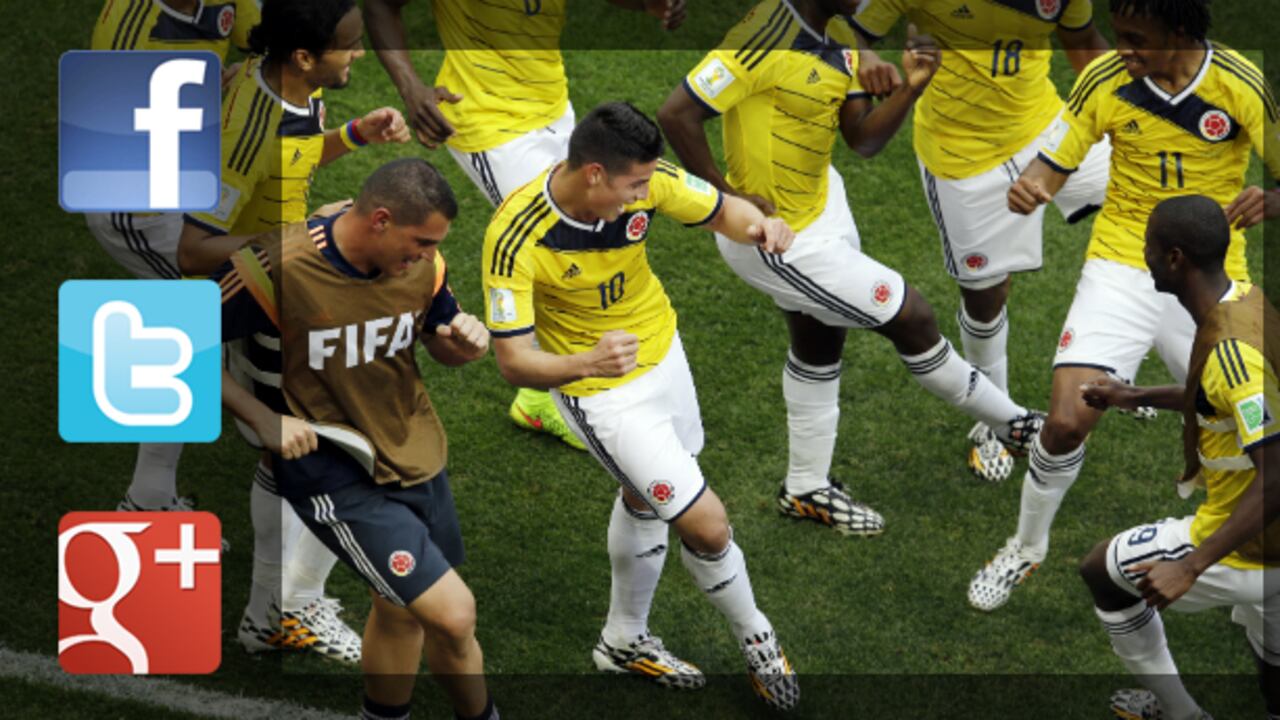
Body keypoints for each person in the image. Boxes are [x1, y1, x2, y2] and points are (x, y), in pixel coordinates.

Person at [657, 0, 1043, 539]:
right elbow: (677, 112)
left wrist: (911, 87)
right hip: (775, 237)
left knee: (819, 341)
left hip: (824, 207)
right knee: (910, 316)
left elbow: (862, 139)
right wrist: (727, 201)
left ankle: (805, 488)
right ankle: (1022, 426)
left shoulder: (839, 34)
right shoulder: (763, 32)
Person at [482, 102, 798, 710]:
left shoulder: (645, 185)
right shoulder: (516, 234)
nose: (646, 196)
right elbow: (514, 361)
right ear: (594, 174)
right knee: (706, 524)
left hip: (664, 354)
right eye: (634, 186)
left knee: (645, 496)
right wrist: (587, 363)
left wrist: (760, 226)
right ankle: (758, 638)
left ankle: (623, 640)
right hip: (599, 391)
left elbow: (720, 210)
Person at [968, 0, 1280, 612]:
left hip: (1210, 276)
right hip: (1123, 260)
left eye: (1137, 37)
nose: (1122, 48)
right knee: (1063, 423)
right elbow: (1055, 159)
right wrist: (1034, 186)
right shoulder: (1105, 79)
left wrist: (1271, 201)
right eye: (1119, 34)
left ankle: (1246, 571)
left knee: (1259, 437)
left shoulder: (1239, 84)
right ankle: (1026, 546)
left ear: (1182, 32)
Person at [171, 0, 410, 663]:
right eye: (349, 46)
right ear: (306, 56)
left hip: (289, 287)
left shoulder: (289, 88)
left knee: (324, 446)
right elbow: (193, 249)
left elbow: (294, 161)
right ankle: (275, 613)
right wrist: (294, 242)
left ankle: (277, 609)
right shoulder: (252, 122)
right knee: (314, 451)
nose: (358, 55)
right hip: (260, 300)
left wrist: (355, 135)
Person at [219, 157, 497, 720]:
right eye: (418, 242)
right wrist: (258, 416)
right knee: (453, 613)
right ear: (380, 220)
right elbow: (170, 339)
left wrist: (462, 343)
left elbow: (437, 336)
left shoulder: (423, 265)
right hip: (332, 469)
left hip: (412, 448)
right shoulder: (278, 266)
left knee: (401, 610)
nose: (424, 255)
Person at [365, 0, 685, 452]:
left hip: (553, 105)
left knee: (574, 229)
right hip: (486, 119)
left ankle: (548, 388)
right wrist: (412, 87)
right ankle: (544, 394)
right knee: (550, 238)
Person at [848, 0, 1112, 478]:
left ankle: (1134, 362)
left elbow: (1084, 43)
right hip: (963, 157)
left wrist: (1140, 104)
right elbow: (843, 26)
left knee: (1155, 219)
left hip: (1048, 125)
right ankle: (996, 421)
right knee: (987, 294)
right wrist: (863, 57)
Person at [1076, 195, 1278, 720]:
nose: (1143, 253)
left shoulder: (1234, 354)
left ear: (1175, 258)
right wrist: (1135, 395)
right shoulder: (1248, 302)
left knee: (1102, 570)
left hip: (1253, 545)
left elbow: (1277, 474)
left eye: (1149, 244)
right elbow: (1216, 396)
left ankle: (1180, 713)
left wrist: (1191, 565)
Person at [84, 0, 264, 551]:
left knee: (205, 307)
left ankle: (150, 493)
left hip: (185, 176)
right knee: (201, 313)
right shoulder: (127, 33)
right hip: (133, 196)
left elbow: (265, 39)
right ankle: (256, 413)